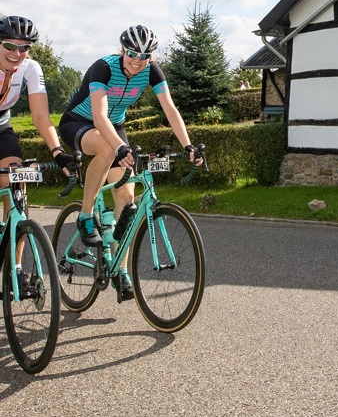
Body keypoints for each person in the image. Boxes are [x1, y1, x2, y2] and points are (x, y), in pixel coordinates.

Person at [58, 24, 203, 300]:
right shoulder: (103, 68)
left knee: (127, 200)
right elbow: (99, 116)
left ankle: (120, 270)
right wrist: (119, 147)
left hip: (114, 126)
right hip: (79, 122)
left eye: (145, 56)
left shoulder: (151, 71)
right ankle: (86, 215)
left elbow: (170, 109)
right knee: (106, 149)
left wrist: (188, 145)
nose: (138, 60)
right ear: (122, 50)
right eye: (132, 53)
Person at [0, 15, 76, 251]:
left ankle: (16, 268)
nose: (16, 53)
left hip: (1, 126)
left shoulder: (30, 68)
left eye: (24, 48)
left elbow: (41, 117)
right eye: (10, 46)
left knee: (16, 181)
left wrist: (57, 152)